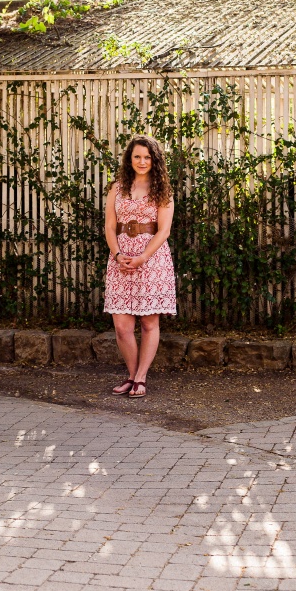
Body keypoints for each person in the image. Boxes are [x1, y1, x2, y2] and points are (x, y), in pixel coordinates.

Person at [104, 135, 176, 398]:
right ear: (129, 159)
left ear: (154, 160)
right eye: (137, 156)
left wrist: (143, 257)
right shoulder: (117, 187)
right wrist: (117, 253)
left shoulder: (162, 190)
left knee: (148, 322)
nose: (142, 161)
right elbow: (110, 226)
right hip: (120, 259)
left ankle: (141, 378)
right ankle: (132, 376)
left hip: (152, 259)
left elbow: (164, 230)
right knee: (122, 325)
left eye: (147, 157)